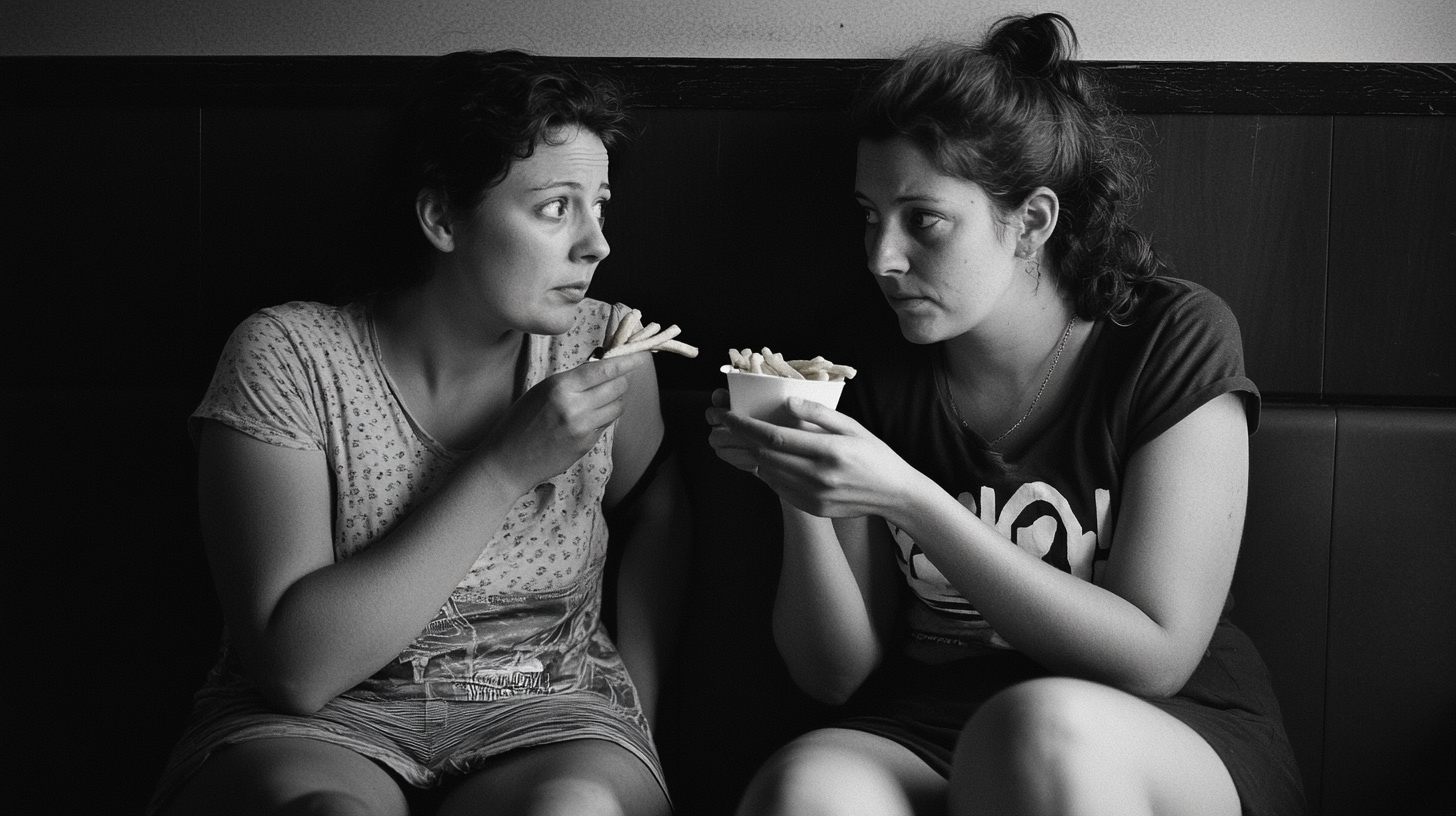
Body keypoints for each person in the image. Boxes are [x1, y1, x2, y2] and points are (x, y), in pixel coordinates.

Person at [707, 14, 1304, 816]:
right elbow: (836, 674)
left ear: (1032, 222)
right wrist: (796, 479)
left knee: (1034, 732)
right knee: (802, 791)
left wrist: (908, 496)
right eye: (868, 216)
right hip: (928, 725)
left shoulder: (1170, 338)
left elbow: (1155, 654)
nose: (882, 257)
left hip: (1159, 729)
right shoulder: (867, 359)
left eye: (924, 220)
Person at [148, 50, 687, 816]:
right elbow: (297, 670)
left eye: (601, 203)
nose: (596, 244)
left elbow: (659, 512)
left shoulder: (610, 354)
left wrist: (637, 707)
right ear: (441, 218)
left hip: (550, 717)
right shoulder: (292, 357)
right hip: (325, 724)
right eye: (556, 207)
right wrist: (504, 465)